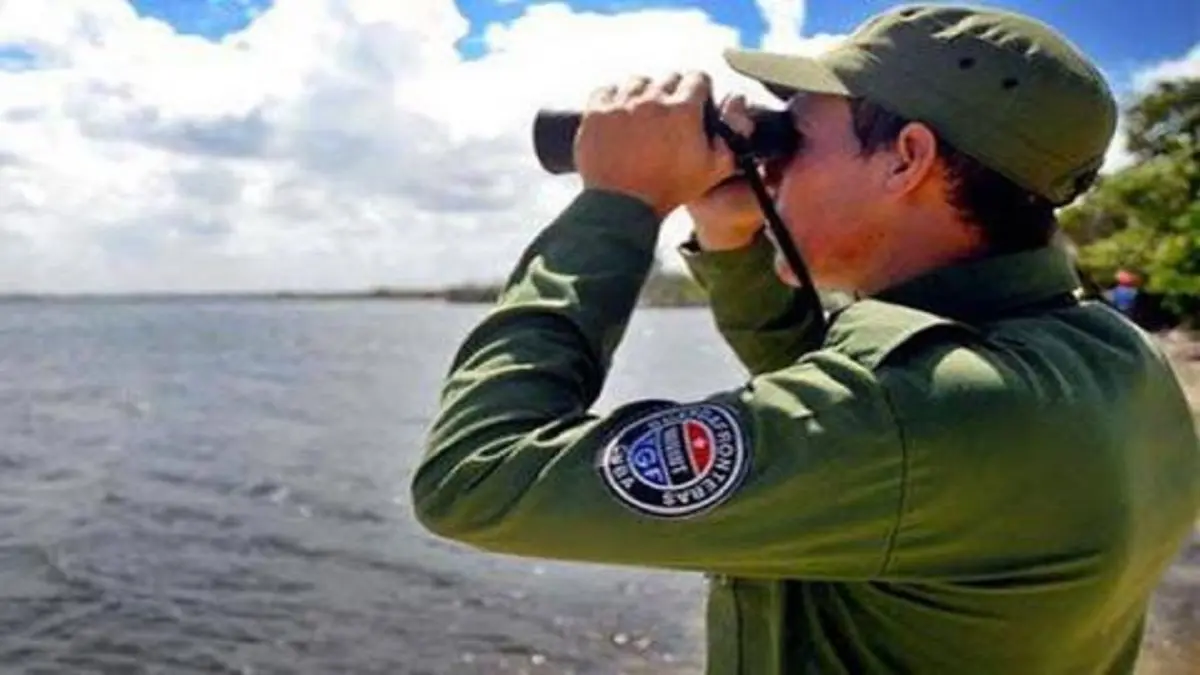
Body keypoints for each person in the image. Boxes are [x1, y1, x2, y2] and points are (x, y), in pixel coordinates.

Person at [410, 4, 1200, 674]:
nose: (773, 157)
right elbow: (851, 410)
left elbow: (476, 479)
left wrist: (618, 206)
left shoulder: (928, 414)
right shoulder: (1109, 349)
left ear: (907, 158)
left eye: (798, 135)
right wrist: (731, 238)